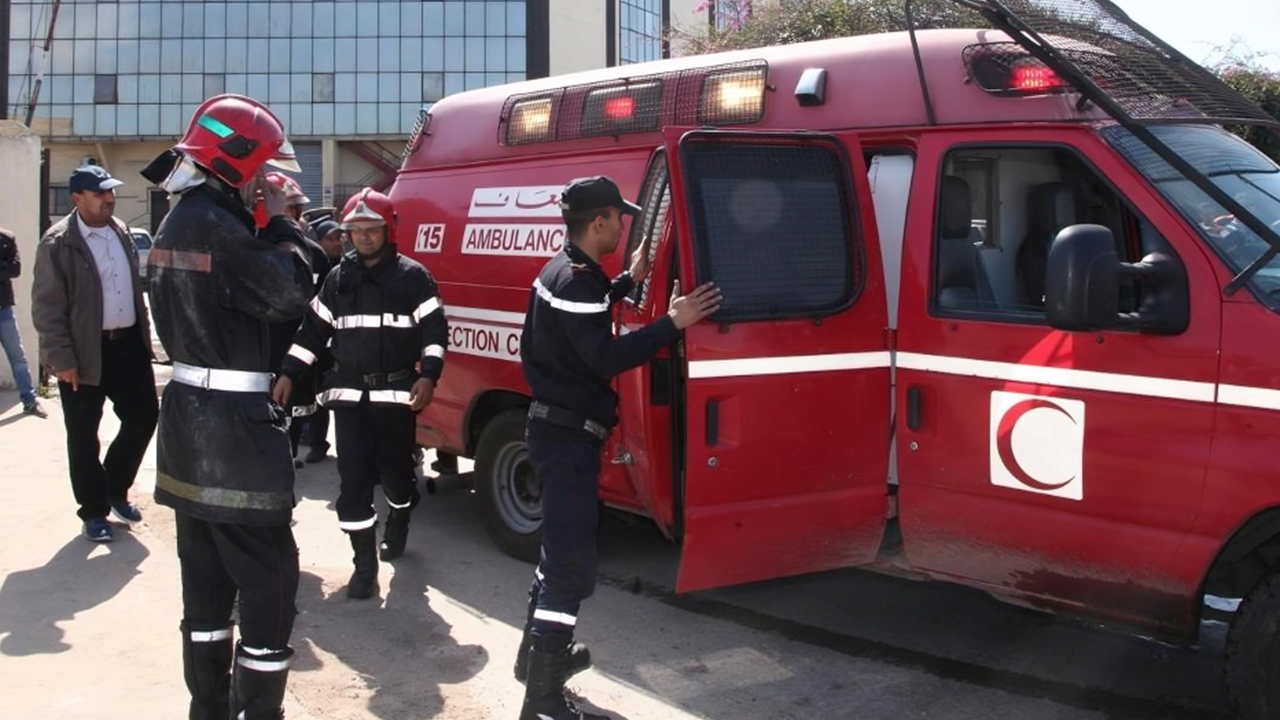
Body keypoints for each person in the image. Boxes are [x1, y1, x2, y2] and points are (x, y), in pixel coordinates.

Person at [514, 176, 721, 720]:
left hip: (556, 432)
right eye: (619, 221)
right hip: (565, 439)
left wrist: (627, 284)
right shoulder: (577, 282)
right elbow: (603, 358)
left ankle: (535, 662)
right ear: (600, 221)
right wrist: (673, 323)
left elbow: (586, 312)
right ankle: (541, 698)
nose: (623, 229)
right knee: (570, 566)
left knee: (558, 554)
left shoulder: (565, 271)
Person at [143, 94, 314, 720]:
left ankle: (208, 708)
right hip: (235, 442)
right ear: (240, 164)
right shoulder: (224, 230)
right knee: (270, 582)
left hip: (188, 431)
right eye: (267, 170)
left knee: (207, 588)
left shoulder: (179, 219)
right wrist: (285, 223)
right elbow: (292, 292)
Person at [275, 188, 449, 600]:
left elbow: (436, 333)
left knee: (397, 477)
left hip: (396, 395)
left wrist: (430, 376)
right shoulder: (338, 278)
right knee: (352, 485)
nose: (364, 237)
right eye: (356, 231)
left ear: (388, 231)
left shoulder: (413, 277)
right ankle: (363, 565)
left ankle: (400, 518)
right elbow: (312, 333)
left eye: (372, 230)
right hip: (350, 397)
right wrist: (288, 372)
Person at [31, 165, 158, 543]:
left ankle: (115, 488)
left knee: (144, 417)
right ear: (77, 198)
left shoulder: (120, 231)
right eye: (99, 193)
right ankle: (94, 511)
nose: (108, 198)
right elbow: (47, 307)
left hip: (128, 346)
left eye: (110, 192)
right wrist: (61, 358)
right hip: (83, 353)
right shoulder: (58, 243)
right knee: (84, 434)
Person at [298, 218, 345, 463]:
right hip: (314, 343)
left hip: (337, 347)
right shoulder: (313, 261)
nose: (338, 243)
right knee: (314, 397)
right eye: (331, 239)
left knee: (335, 397)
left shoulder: (348, 267)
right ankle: (314, 442)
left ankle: (327, 444)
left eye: (340, 238)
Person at [0, 227, 45, 418]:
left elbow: (15, 269)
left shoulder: (7, 238)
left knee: (17, 356)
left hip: (3, 309)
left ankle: (30, 400)